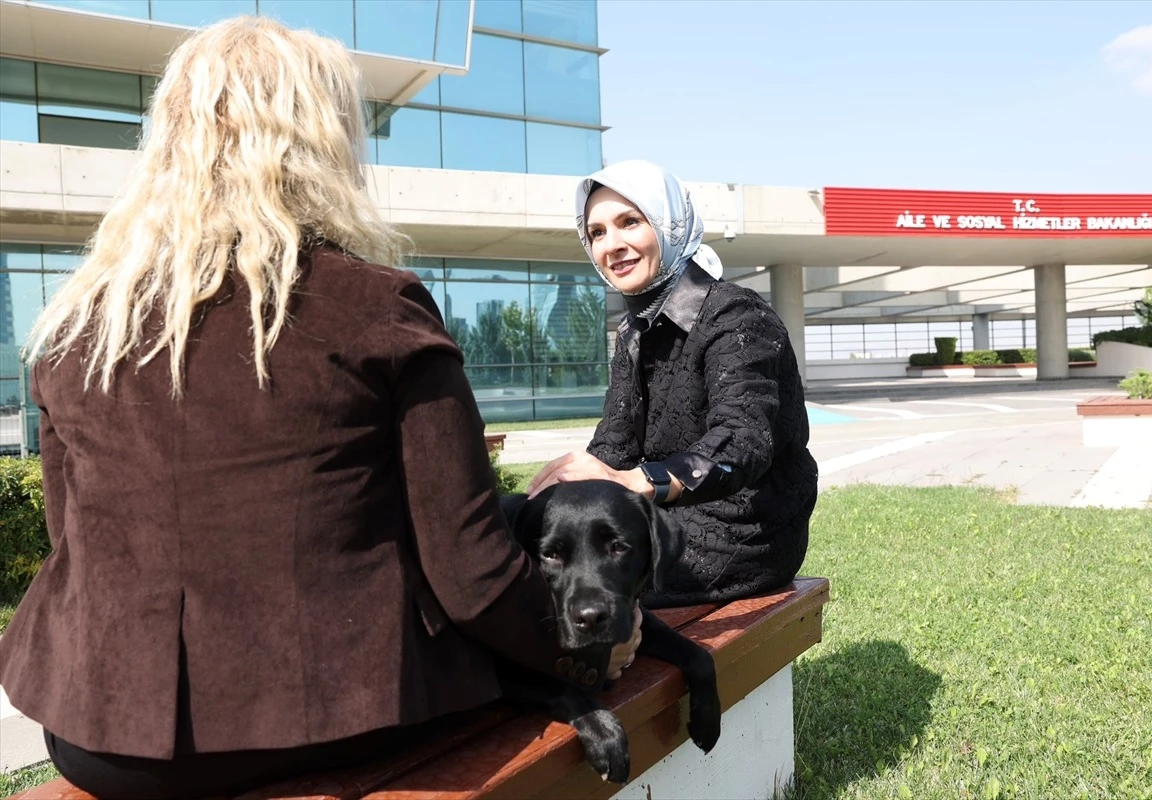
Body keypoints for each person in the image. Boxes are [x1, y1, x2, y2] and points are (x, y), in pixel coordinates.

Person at [0, 16, 638, 800]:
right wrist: (582, 651)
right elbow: (469, 570)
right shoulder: (377, 307)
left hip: (96, 736)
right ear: (322, 144)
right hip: (328, 721)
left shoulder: (74, 327)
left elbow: (72, 543)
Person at [528, 160, 819, 609]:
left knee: (575, 581)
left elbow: (743, 442)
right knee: (536, 552)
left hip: (750, 530)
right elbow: (614, 445)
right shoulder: (634, 331)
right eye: (598, 232)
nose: (613, 245)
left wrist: (638, 480)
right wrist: (561, 491)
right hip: (668, 517)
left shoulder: (736, 316)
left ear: (668, 223)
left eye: (630, 222)